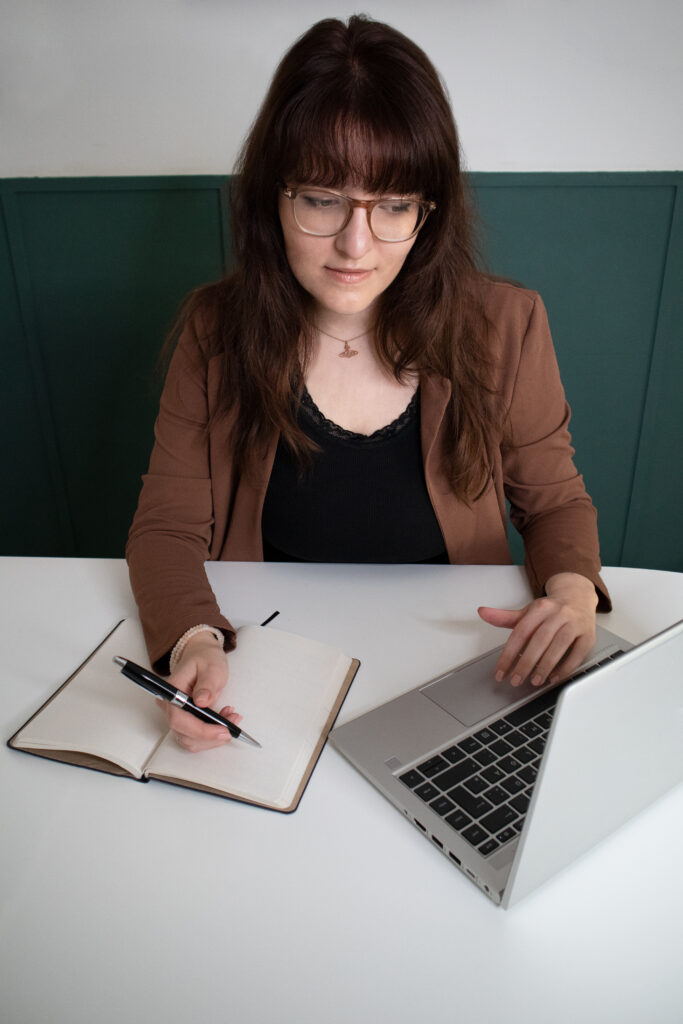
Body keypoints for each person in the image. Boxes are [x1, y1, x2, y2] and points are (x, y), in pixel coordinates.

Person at [127, 15, 610, 752]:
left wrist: (572, 595)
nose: (357, 246)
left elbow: (554, 505)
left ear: (428, 211)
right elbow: (165, 528)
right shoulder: (215, 331)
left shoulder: (506, 324)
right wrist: (194, 640)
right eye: (322, 199)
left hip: (453, 665)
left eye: (392, 206)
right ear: (272, 199)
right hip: (265, 663)